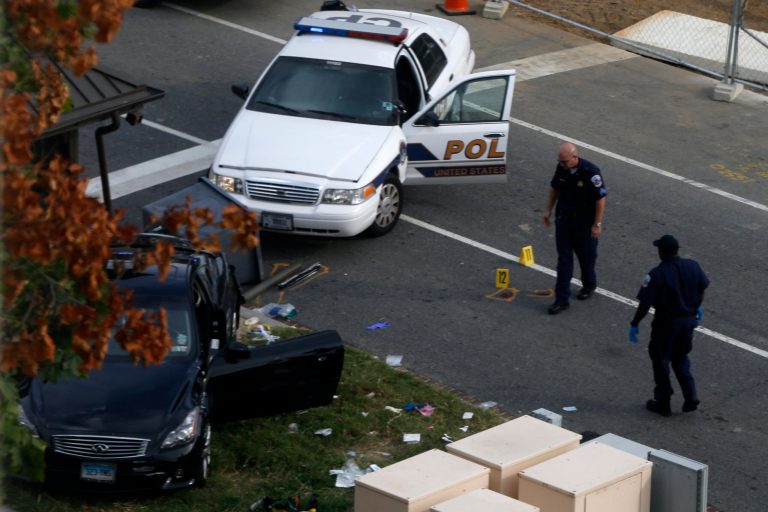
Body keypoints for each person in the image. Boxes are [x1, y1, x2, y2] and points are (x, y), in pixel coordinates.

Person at [629, 235, 709, 417]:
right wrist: (696, 306)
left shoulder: (657, 274)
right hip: (688, 321)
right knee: (681, 357)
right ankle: (690, 395)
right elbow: (702, 287)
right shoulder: (693, 266)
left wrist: (635, 323)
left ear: (662, 252)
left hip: (667, 323)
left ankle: (663, 401)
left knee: (660, 359)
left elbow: (645, 304)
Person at [542, 142, 606, 314]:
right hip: (564, 222)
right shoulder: (561, 168)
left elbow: (600, 200)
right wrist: (548, 209)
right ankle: (561, 299)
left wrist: (597, 224)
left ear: (575, 157)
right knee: (564, 261)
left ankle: (589, 285)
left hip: (585, 225)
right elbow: (555, 188)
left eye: (565, 162)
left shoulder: (591, 172)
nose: (562, 165)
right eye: (560, 162)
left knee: (587, 259)